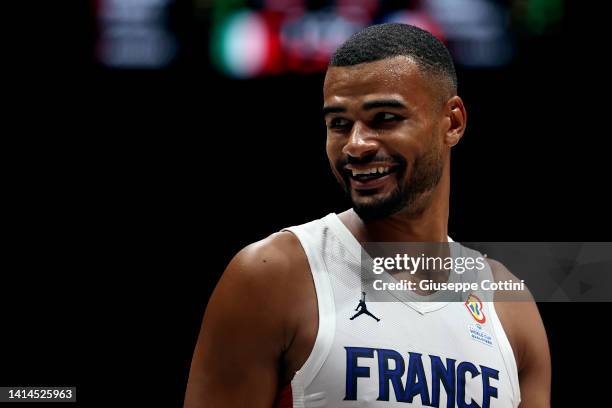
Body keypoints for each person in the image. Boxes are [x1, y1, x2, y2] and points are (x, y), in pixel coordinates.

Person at [184, 23, 550, 408]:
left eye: (385, 118)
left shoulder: (510, 309)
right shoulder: (272, 276)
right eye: (339, 124)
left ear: (453, 122)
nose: (356, 145)